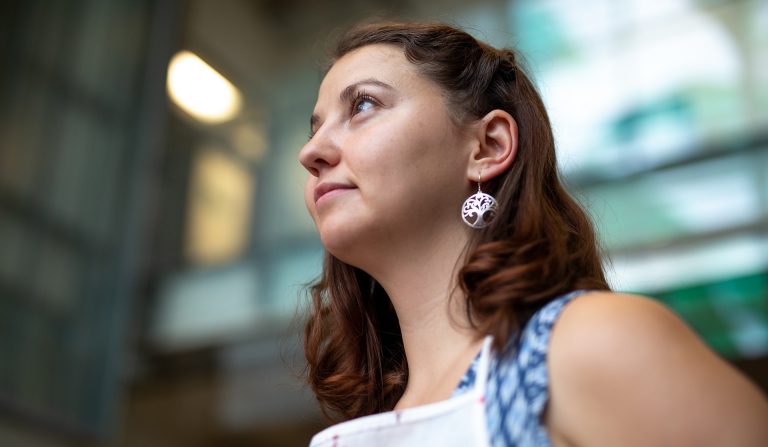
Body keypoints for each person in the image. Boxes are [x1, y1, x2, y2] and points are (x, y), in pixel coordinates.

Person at [297, 21, 768, 446]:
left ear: (488, 146)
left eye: (363, 105)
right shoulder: (373, 418)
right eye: (313, 129)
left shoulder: (589, 343)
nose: (311, 152)